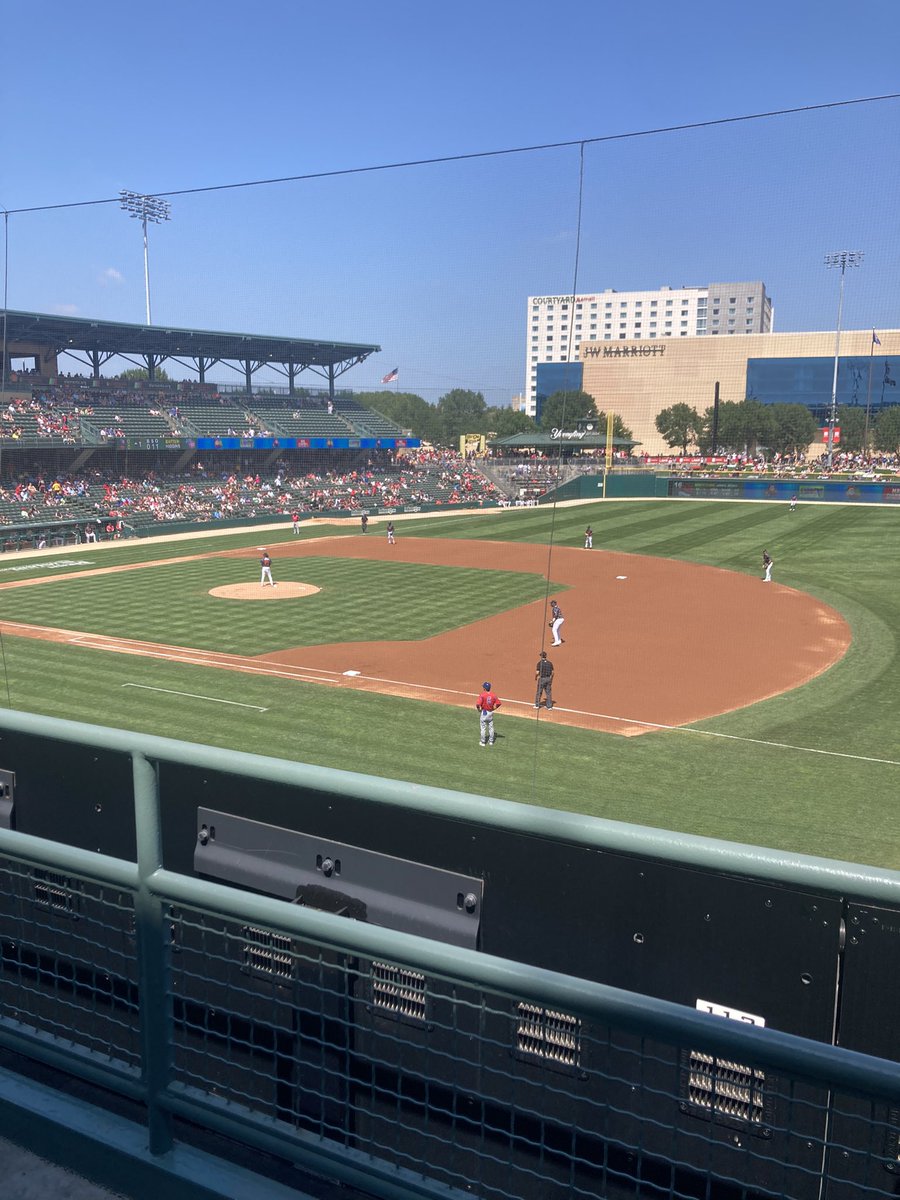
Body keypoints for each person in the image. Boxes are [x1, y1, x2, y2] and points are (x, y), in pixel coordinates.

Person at [475, 681, 501, 747]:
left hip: (484, 713)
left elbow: (478, 704)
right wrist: (493, 708)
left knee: (483, 728)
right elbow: (498, 703)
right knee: (491, 728)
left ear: (484, 688)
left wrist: (479, 709)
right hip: (490, 713)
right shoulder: (493, 695)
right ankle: (491, 741)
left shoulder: (482, 695)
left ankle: (483, 742)